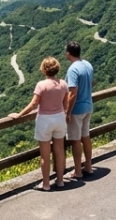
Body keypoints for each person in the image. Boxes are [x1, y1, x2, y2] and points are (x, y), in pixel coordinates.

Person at [8, 57, 71, 190]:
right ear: (57, 68)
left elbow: (34, 104)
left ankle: (46, 184)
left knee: (45, 154)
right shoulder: (63, 84)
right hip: (60, 118)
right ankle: (60, 181)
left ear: (44, 69)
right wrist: (65, 114)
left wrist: (19, 115)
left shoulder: (41, 85)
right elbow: (65, 104)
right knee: (60, 151)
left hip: (45, 120)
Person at [64, 41, 95, 178]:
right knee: (85, 137)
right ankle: (88, 166)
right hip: (88, 106)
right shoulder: (87, 64)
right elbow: (91, 83)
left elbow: (73, 93)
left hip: (77, 110)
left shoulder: (73, 69)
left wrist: (67, 112)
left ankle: (77, 171)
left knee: (75, 140)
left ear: (68, 53)